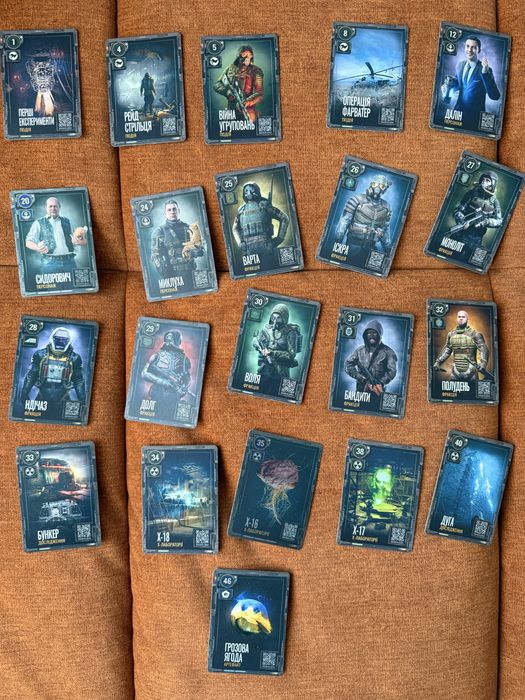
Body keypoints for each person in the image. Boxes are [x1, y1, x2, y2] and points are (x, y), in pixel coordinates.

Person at [21, 327, 86, 416]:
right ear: (52, 339)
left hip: (63, 398)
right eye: (58, 340)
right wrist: (24, 394)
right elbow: (31, 375)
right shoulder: (40, 355)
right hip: (42, 398)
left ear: (68, 341)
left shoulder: (74, 358)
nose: (60, 343)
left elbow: (78, 380)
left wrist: (82, 400)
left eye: (63, 341)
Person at [441, 35, 501, 130]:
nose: (469, 50)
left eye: (474, 47)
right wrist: (447, 87)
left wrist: (485, 73)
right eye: (467, 46)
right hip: (457, 115)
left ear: (479, 50)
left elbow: (495, 96)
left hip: (474, 119)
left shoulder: (486, 70)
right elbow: (459, 86)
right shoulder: (460, 65)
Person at [335, 175, 392, 266]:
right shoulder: (356, 200)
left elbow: (385, 232)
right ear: (371, 185)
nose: (377, 188)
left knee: (374, 270)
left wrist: (389, 252)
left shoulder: (386, 207)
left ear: (385, 189)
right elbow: (343, 224)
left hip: (372, 248)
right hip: (352, 247)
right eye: (375, 184)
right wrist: (337, 246)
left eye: (381, 186)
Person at [25, 196, 87, 275]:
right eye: (50, 206)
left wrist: (80, 241)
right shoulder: (38, 223)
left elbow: (84, 242)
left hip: (69, 261)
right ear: (46, 208)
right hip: (49, 263)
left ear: (59, 207)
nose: (53, 208)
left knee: (73, 282)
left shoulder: (68, 221)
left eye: (55, 206)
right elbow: (28, 242)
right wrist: (37, 248)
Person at [232, 182, 288, 267]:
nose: (248, 192)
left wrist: (279, 239)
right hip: (249, 251)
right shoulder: (241, 210)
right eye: (246, 190)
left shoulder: (264, 205)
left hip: (266, 248)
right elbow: (235, 228)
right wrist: (240, 243)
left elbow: (284, 218)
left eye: (251, 189)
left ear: (256, 190)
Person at [344, 320, 397, 407]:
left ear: (379, 335)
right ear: (365, 335)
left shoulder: (388, 352)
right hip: (360, 392)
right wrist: (359, 377)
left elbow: (392, 371)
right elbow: (348, 364)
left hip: (377, 390)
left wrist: (381, 382)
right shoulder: (359, 351)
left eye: (374, 333)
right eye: (369, 333)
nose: (371, 336)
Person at [141, 330, 193, 419]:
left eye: (171, 337)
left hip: (174, 397)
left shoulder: (185, 360)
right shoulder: (156, 356)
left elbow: (187, 377)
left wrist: (184, 387)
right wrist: (163, 382)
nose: (168, 339)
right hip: (157, 394)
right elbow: (144, 374)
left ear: (178, 341)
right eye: (167, 337)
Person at [253, 304, 301, 396]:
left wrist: (272, 353)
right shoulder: (267, 328)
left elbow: (291, 355)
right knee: (258, 392)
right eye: (273, 317)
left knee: (281, 396)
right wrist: (260, 348)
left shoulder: (291, 332)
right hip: (266, 369)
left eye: (278, 318)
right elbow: (256, 341)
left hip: (281, 371)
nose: (275, 321)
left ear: (284, 318)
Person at [450, 171, 503, 256]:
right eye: (483, 179)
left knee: (471, 260)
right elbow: (458, 210)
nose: (484, 181)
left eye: (488, 180)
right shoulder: (471, 194)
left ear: (493, 183)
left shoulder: (494, 202)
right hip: (461, 232)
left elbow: (499, 221)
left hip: (476, 238)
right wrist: (460, 218)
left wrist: (485, 222)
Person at [150, 200, 204, 281]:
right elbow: (156, 257)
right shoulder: (159, 231)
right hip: (172, 275)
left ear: (178, 211)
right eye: (169, 210)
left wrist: (195, 251)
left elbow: (202, 249)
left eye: (174, 209)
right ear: (165, 213)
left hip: (191, 272)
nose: (172, 212)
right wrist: (167, 276)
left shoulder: (188, 227)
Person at [433, 310, 489, 382]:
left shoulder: (475, 334)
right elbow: (447, 350)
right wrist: (438, 362)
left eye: (463, 317)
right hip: (455, 372)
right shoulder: (451, 334)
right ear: (457, 319)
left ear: (467, 319)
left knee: (473, 389)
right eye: (459, 317)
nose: (461, 318)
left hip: (471, 371)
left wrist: (483, 364)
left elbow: (483, 349)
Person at [213, 45, 264, 121]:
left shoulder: (256, 71)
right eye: (244, 55)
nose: (247, 58)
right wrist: (226, 92)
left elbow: (259, 93)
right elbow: (217, 84)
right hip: (231, 110)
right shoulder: (230, 69)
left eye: (249, 55)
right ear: (239, 56)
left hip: (248, 109)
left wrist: (247, 102)